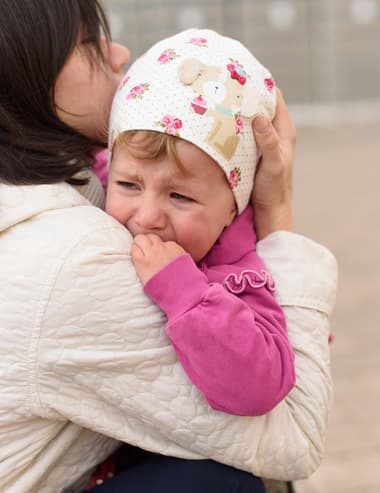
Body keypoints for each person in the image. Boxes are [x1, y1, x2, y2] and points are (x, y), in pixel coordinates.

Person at [0, 1, 337, 492]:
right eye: (89, 42)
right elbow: (293, 435)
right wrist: (275, 214)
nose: (119, 55)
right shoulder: (63, 258)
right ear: (20, 72)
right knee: (223, 481)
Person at [99, 29, 294, 417]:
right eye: (128, 184)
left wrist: (184, 292)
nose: (148, 217)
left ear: (232, 210)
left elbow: (260, 387)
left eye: (180, 196)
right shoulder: (86, 189)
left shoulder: (240, 278)